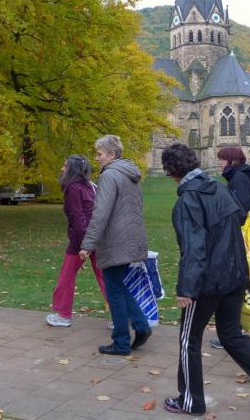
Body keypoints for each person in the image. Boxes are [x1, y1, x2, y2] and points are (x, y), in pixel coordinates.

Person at [161, 143, 250, 417]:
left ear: (170, 170)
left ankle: (190, 401)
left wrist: (187, 288)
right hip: (234, 276)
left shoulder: (189, 200)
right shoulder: (219, 189)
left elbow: (194, 247)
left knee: (189, 339)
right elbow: (238, 222)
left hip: (209, 281)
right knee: (231, 335)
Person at [79, 135, 151, 355]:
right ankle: (141, 325)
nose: (96, 158)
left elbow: (100, 213)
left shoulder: (109, 175)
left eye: (99, 154)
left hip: (115, 241)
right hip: (131, 238)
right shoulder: (130, 174)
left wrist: (87, 244)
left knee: (114, 291)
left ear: (111, 155)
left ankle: (121, 342)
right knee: (119, 285)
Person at [210, 147, 250, 350]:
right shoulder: (237, 177)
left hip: (238, 239)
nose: (219, 163)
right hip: (236, 238)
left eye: (222, 159)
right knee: (238, 287)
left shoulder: (238, 179)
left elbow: (241, 211)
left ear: (231, 160)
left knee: (242, 287)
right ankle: (232, 333)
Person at [46, 155, 107, 327]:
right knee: (104, 276)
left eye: (65, 166)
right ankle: (122, 316)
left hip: (83, 239)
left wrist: (85, 245)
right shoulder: (90, 185)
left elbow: (78, 217)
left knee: (66, 275)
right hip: (97, 236)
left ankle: (63, 315)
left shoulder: (73, 188)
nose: (62, 169)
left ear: (72, 170)